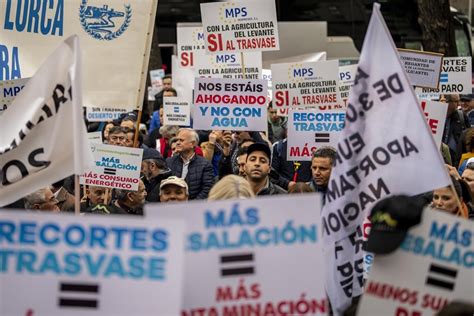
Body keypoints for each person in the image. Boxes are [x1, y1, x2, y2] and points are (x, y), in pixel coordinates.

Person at [166, 128, 215, 199]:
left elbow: (207, 189)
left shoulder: (205, 164)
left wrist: (191, 206)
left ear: (192, 144)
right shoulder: (169, 162)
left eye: (181, 140)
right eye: (177, 140)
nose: (177, 143)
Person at [442, 94, 470, 166]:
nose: (459, 104)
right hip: (441, 158)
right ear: (447, 101)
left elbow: (469, 137)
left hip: (457, 159)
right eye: (456, 101)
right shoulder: (436, 115)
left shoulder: (462, 116)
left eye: (458, 101)